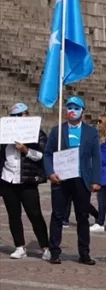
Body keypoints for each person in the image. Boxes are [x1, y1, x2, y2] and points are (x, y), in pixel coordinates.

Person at [43, 96, 102, 265]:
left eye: (76, 108)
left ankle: (84, 253)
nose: (72, 111)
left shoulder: (91, 132)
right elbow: (47, 153)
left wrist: (96, 180)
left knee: (82, 217)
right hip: (61, 179)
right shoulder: (57, 131)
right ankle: (54, 251)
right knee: (58, 215)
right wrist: (50, 173)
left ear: (82, 111)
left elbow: (95, 157)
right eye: (69, 107)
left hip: (81, 179)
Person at [1, 103, 50, 260]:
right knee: (13, 214)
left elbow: (43, 155)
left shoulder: (37, 134)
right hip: (8, 179)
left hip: (27, 180)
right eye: (14, 116)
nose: (18, 119)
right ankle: (19, 246)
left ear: (27, 115)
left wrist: (26, 150)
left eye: (21, 115)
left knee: (34, 213)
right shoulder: (4, 134)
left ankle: (45, 246)